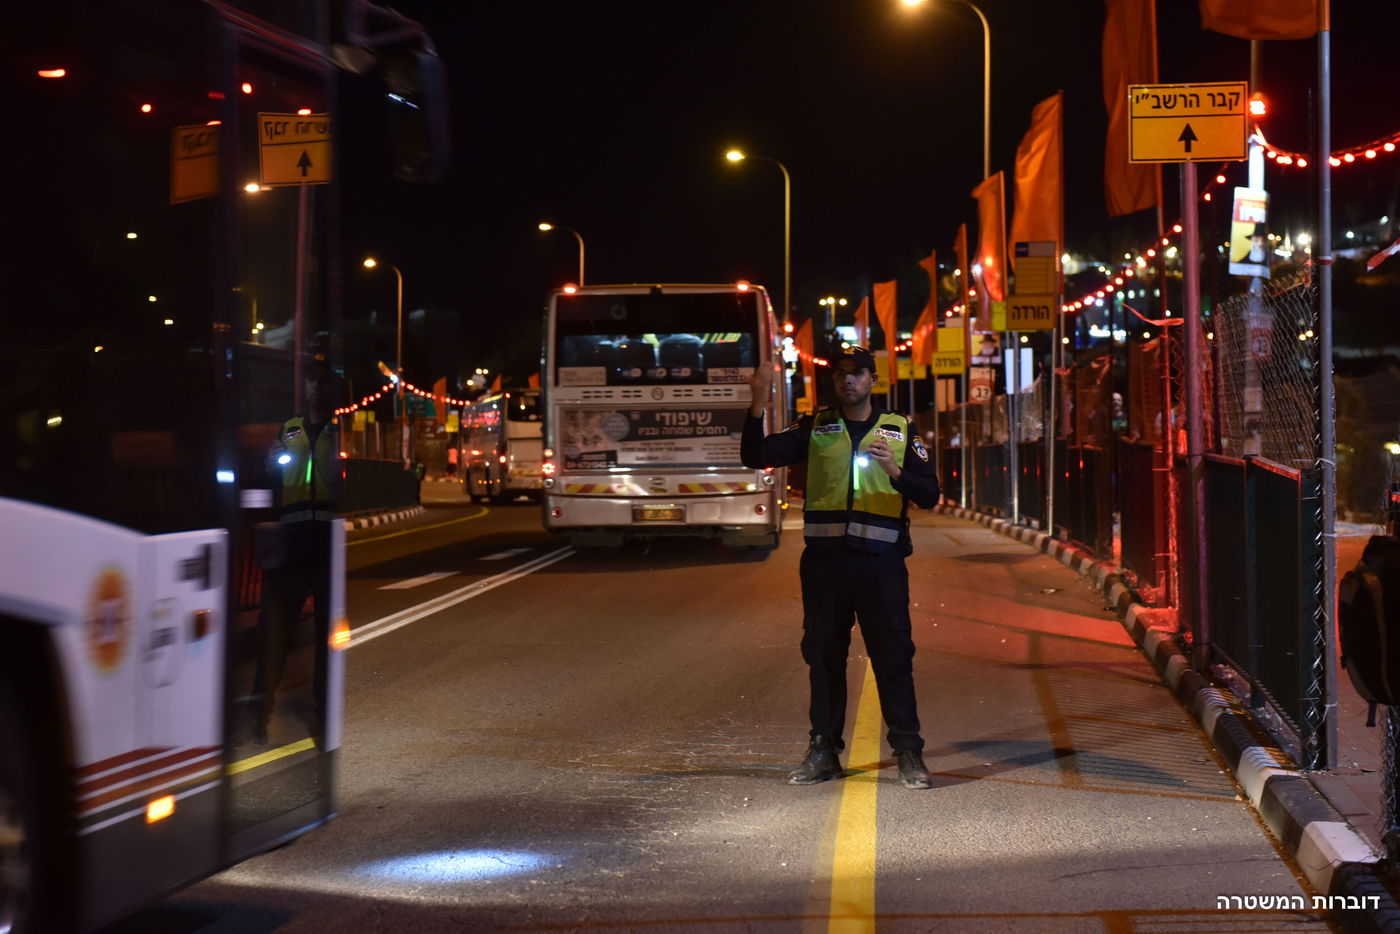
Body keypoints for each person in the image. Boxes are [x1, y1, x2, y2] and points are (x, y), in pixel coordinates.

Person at [742, 346, 940, 789]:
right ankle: (823, 751)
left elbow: (930, 494)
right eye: (841, 373)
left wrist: (896, 471)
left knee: (893, 658)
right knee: (824, 657)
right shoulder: (815, 426)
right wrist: (755, 406)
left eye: (857, 373)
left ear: (873, 379)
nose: (848, 380)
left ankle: (909, 752)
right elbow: (756, 455)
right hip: (826, 566)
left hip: (881, 564)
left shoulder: (901, 429)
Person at [252, 354, 342, 746]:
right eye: (312, 381)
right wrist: (269, 466)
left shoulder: (341, 431)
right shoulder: (288, 429)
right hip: (292, 540)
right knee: (275, 629)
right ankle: (257, 713)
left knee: (326, 637)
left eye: (323, 381)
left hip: (326, 541)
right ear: (304, 387)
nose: (317, 388)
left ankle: (323, 719)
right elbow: (269, 481)